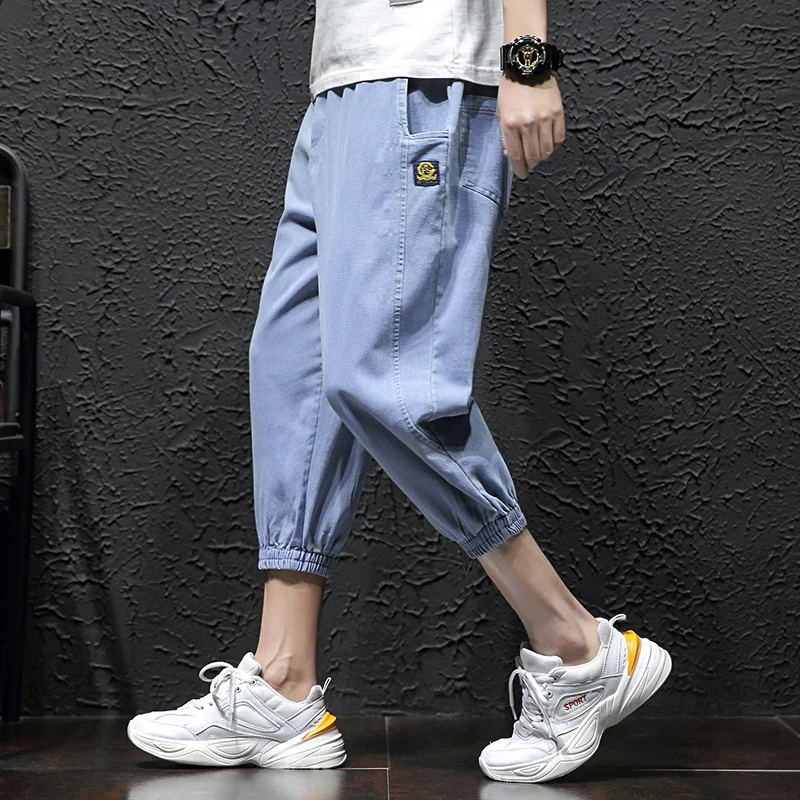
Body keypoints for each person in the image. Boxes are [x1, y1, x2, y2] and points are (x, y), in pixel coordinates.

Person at [127, 0, 672, 783]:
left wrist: (527, 59)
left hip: (423, 76)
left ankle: (576, 645)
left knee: (387, 379)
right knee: (294, 373)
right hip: (342, 89)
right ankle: (284, 681)